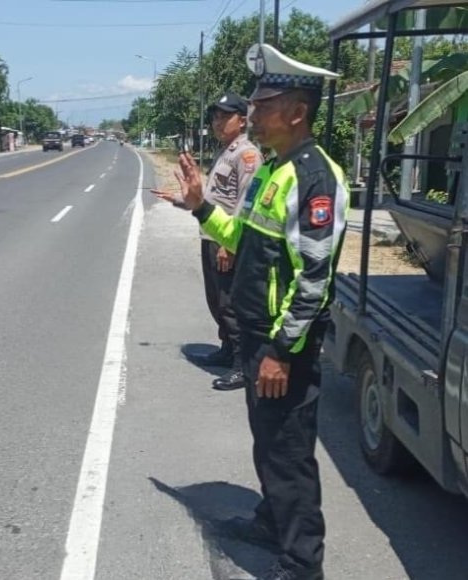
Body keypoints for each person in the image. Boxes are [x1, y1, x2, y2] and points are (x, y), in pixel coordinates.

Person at [169, 44, 347, 580]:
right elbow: (241, 240)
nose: (252, 116)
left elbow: (316, 279)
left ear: (296, 111)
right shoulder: (273, 169)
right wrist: (201, 206)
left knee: (288, 454)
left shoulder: (316, 178)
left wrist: (280, 351)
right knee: (269, 443)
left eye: (263, 106)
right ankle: (272, 521)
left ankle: (301, 562)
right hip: (256, 336)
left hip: (280, 346)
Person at [155, 93, 263, 391]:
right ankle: (227, 349)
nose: (217, 122)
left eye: (224, 116)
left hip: (227, 239)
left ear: (242, 120)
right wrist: (178, 200)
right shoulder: (225, 151)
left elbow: (244, 204)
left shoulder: (247, 155)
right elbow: (210, 199)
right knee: (216, 300)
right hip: (211, 235)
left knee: (230, 304)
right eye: (215, 116)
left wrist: (230, 245)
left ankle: (242, 366)